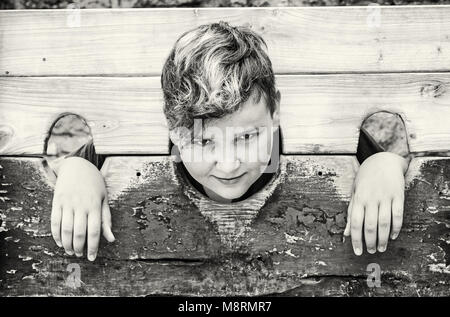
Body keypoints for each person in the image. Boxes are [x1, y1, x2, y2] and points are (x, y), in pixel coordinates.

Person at [51, 22, 409, 261]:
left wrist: (384, 165)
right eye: (203, 142)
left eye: (248, 137)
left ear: (276, 111)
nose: (228, 163)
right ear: (173, 129)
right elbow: (86, 167)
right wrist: (77, 171)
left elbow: (388, 171)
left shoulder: (326, 144)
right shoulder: (126, 147)